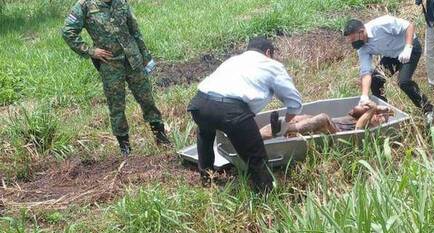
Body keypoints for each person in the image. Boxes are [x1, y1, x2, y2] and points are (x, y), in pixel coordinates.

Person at [187, 37, 302, 193]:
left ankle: (207, 180)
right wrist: (285, 124)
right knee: (256, 156)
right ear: (268, 52)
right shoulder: (272, 65)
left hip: (199, 104)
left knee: (205, 134)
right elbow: (294, 103)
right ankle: (266, 195)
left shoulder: (233, 61)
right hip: (230, 111)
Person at [62, 0, 170, 156]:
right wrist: (90, 51)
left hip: (133, 60)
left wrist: (146, 57)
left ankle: (161, 138)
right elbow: (68, 32)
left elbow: (134, 30)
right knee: (116, 106)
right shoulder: (85, 6)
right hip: (110, 65)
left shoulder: (121, 2)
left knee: (147, 99)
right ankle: (125, 149)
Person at [343, 16, 434, 125]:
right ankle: (384, 113)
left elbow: (409, 26)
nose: (353, 44)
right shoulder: (362, 48)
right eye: (350, 41)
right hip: (392, 56)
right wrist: (364, 96)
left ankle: (429, 110)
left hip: (409, 50)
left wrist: (408, 47)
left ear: (362, 31)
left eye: (354, 40)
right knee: (375, 80)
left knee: (404, 82)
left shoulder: (381, 24)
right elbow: (366, 72)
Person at [260, 101, 393, 139]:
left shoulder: (369, 128)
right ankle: (257, 135)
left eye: (382, 118)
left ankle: (286, 129)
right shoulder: (359, 116)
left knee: (323, 118)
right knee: (301, 117)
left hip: (337, 134)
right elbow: (353, 110)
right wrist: (376, 108)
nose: (379, 116)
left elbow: (358, 130)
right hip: (332, 125)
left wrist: (372, 110)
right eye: (379, 114)